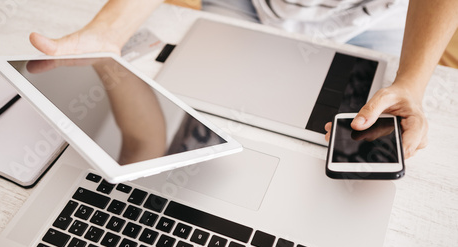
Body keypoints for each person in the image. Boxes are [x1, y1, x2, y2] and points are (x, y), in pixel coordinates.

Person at [30, 0, 458, 159]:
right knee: (211, 124)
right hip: (251, 5)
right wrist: (109, 30)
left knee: (355, 147)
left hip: (381, 16)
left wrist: (412, 84)